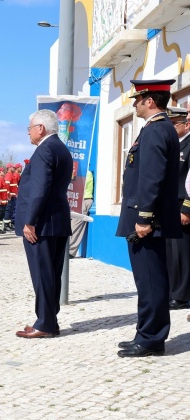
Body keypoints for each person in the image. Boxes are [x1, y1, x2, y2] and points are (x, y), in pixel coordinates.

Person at [116, 80, 182, 357]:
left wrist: (144, 217)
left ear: (150, 101)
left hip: (146, 221)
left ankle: (151, 339)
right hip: (145, 217)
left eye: (138, 99)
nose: (135, 104)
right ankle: (146, 332)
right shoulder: (157, 129)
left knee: (152, 280)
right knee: (147, 280)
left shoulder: (156, 130)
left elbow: (151, 177)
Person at [15, 109, 72, 339]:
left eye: (30, 128)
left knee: (42, 274)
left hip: (42, 224)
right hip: (55, 221)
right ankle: (47, 318)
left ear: (41, 128)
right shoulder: (60, 148)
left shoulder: (44, 150)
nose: (28, 133)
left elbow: (39, 189)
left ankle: (46, 323)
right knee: (51, 274)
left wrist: (30, 221)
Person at [167, 107, 190, 311]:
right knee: (170, 251)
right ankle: (172, 292)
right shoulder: (174, 146)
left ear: (187, 125)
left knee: (182, 253)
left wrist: (187, 208)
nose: (172, 128)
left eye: (175, 124)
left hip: (183, 205)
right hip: (169, 205)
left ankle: (182, 295)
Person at [69, 171, 94, 258]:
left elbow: (79, 186)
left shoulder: (86, 173)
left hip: (83, 200)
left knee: (75, 226)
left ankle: (70, 251)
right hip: (76, 200)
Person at [3, 164, 16, 231]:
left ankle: (8, 224)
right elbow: (6, 185)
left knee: (10, 210)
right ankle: (6, 225)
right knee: (8, 210)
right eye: (13, 167)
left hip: (13, 195)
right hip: (10, 196)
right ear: (10, 168)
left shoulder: (11, 175)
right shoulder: (8, 175)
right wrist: (8, 194)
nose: (14, 168)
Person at [0, 168, 8, 233]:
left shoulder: (2, 180)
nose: (3, 172)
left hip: (3, 201)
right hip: (1, 201)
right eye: (2, 171)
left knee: (1, 215)